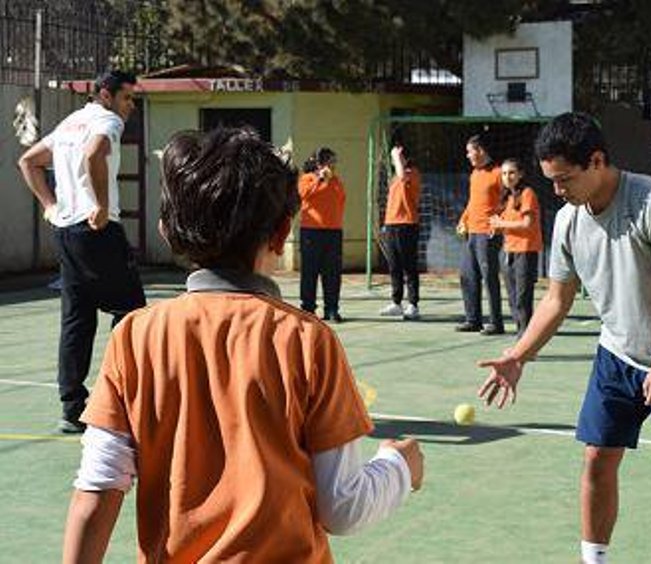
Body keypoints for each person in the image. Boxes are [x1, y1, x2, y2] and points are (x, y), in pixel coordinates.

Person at [62, 128, 424, 563]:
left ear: (166, 229)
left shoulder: (136, 336)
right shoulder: (307, 340)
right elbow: (343, 507)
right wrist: (400, 466)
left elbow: (97, 491)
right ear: (281, 232)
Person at [477, 113, 651, 564]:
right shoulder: (568, 221)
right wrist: (519, 355)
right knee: (597, 457)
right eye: (551, 182)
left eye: (564, 180)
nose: (558, 191)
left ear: (596, 161)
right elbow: (556, 300)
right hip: (616, 355)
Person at [17, 70, 146, 434]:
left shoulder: (71, 122)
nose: (131, 106)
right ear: (106, 95)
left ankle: (72, 407)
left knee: (77, 319)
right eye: (127, 98)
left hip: (67, 234)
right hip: (98, 231)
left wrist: (50, 205)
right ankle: (122, 398)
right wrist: (102, 205)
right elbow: (94, 154)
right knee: (133, 313)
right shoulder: (107, 121)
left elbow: (28, 161)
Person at [455, 134, 504, 335]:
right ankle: (473, 319)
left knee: (489, 277)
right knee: (467, 275)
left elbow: (508, 200)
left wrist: (498, 221)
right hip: (472, 233)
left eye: (470, 151)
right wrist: (463, 219)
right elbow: (472, 202)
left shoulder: (499, 173)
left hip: (488, 234)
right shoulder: (475, 174)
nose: (467, 155)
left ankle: (495, 322)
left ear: (480, 151)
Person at [489, 158, 542, 338]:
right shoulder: (508, 197)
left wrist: (501, 222)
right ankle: (521, 332)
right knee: (512, 297)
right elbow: (505, 223)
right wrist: (495, 226)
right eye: (504, 173)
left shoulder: (527, 194)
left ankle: (526, 336)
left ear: (520, 174)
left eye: (511, 172)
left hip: (525, 251)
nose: (507, 177)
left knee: (522, 297)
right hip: (509, 251)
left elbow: (527, 224)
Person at [299, 147, 345, 323]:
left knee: (332, 273)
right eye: (331, 162)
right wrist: (319, 179)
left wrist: (330, 181)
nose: (334, 165)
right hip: (311, 232)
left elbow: (341, 199)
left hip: (333, 231)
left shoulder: (336, 181)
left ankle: (332, 308)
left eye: (334, 162)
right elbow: (304, 194)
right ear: (321, 164)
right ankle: (308, 309)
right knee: (309, 273)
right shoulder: (307, 179)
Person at [379, 145, 422, 320]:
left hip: (407, 225)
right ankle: (396, 302)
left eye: (398, 156)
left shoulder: (412, 174)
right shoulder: (395, 178)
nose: (394, 159)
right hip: (392, 225)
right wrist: (385, 224)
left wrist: (396, 155)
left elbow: (403, 174)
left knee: (409, 266)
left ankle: (413, 304)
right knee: (394, 266)